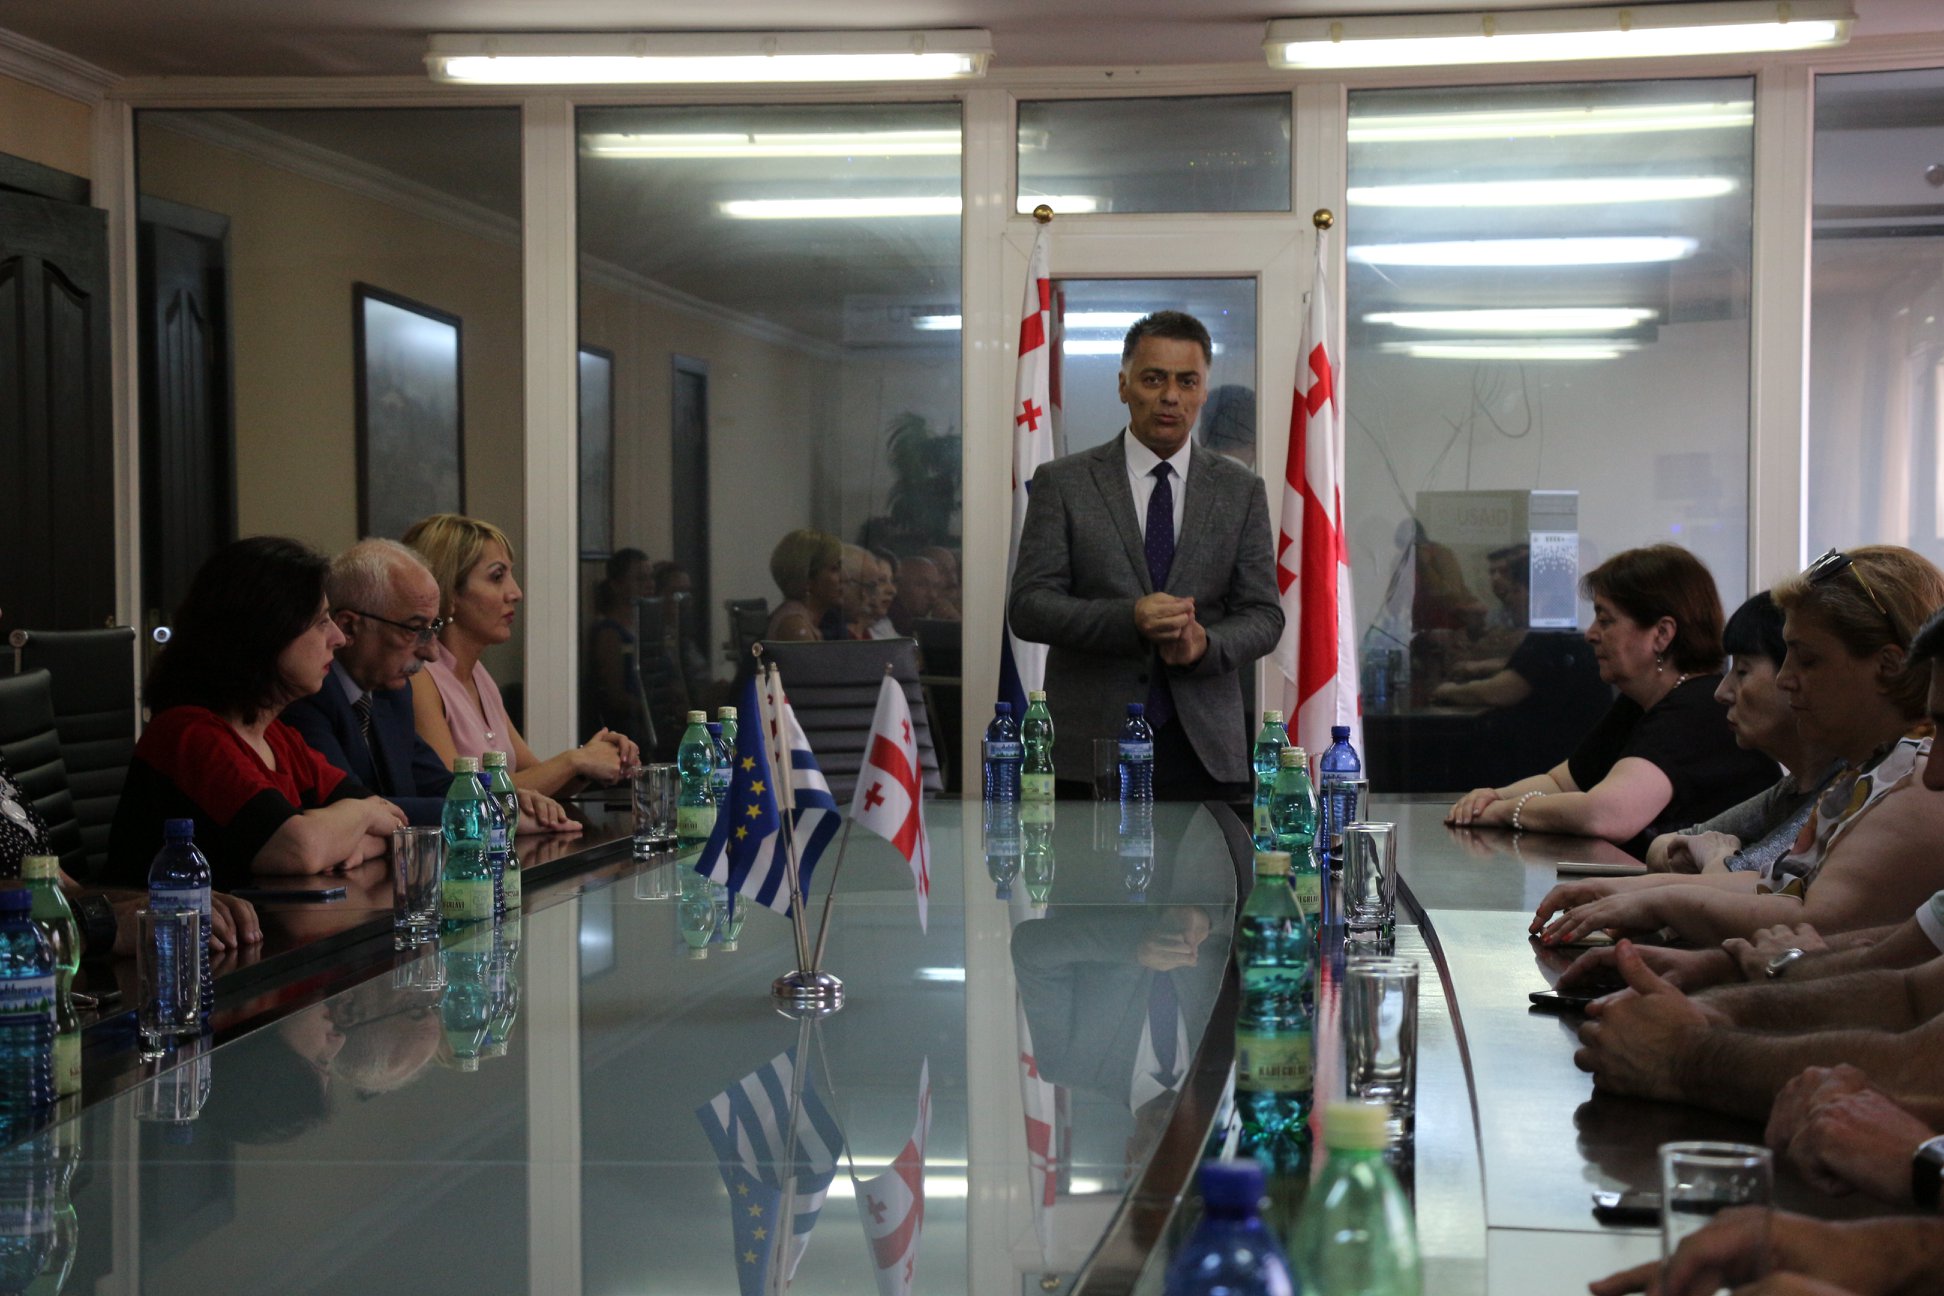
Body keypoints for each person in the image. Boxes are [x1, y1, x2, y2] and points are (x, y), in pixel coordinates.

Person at [1564, 608, 1944, 1119]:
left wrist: (1685, 1053)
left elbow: (1918, 1060)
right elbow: (1905, 981)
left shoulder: (1913, 785)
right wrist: (1713, 978)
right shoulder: (1858, 779)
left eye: (1807, 660)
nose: (1935, 772)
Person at [1533, 548, 1944, 948]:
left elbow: (1813, 923)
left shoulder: (1914, 781)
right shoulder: (1870, 771)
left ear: (1889, 667)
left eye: (1807, 660)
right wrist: (1621, 891)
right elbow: (1772, 887)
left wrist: (1657, 902)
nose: (1784, 679)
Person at [1008, 310, 1283, 800]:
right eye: (1154, 379)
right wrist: (1129, 618)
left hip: (1203, 748)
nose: (1171, 396)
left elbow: (1264, 615)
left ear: (1203, 391)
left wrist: (1205, 645)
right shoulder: (1064, 483)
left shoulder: (1240, 490)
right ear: (1124, 385)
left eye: (1187, 381)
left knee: (1213, 857)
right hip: (1089, 750)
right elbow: (1029, 607)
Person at [105, 537, 406, 890]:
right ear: (267, 632)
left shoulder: (276, 736)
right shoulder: (188, 736)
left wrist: (346, 838)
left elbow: (392, 824)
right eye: (321, 622)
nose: (338, 638)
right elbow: (300, 850)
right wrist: (360, 817)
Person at [1447, 544, 1777, 855]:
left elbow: (1604, 815)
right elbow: (1561, 782)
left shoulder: (1699, 708)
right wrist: (1489, 798)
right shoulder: (1639, 703)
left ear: (1662, 634)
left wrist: (1506, 811)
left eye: (1605, 621)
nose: (1591, 634)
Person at [283, 539, 578, 833]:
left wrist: (504, 800)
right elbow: (353, 809)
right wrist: (489, 813)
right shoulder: (307, 696)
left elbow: (437, 784)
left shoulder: (393, 694)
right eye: (415, 629)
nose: (432, 652)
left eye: (433, 628)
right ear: (349, 627)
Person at [403, 514, 638, 796]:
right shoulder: (420, 679)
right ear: (449, 594)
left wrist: (592, 760)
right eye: (497, 577)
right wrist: (574, 760)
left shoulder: (478, 674)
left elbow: (538, 780)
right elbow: (458, 794)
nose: (516, 592)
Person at [1641, 592, 1843, 875]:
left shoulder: (1842, 791)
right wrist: (1713, 858)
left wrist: (1714, 856)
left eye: (1743, 671)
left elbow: (1740, 880)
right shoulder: (1788, 791)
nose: (1721, 692)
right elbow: (1664, 846)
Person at [582, 547, 656, 751]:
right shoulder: (609, 633)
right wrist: (651, 708)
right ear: (616, 585)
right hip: (629, 726)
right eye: (640, 579)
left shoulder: (646, 627)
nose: (649, 585)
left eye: (651, 577)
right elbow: (615, 696)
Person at [764, 529, 844, 643]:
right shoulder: (794, 625)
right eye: (834, 569)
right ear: (807, 580)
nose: (844, 577)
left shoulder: (802, 620)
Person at [889, 554, 941, 635]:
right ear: (898, 585)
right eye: (922, 584)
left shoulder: (935, 618)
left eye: (935, 586)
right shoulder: (884, 624)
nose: (933, 595)